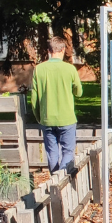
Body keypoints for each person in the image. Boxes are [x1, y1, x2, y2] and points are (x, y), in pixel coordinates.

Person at [29, 36, 83, 174]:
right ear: (63, 49)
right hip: (67, 118)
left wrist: (38, 117)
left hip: (47, 118)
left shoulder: (39, 69)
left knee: (52, 152)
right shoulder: (70, 69)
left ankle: (54, 177)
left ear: (49, 50)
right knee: (67, 151)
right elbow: (79, 92)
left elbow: (34, 99)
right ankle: (63, 178)